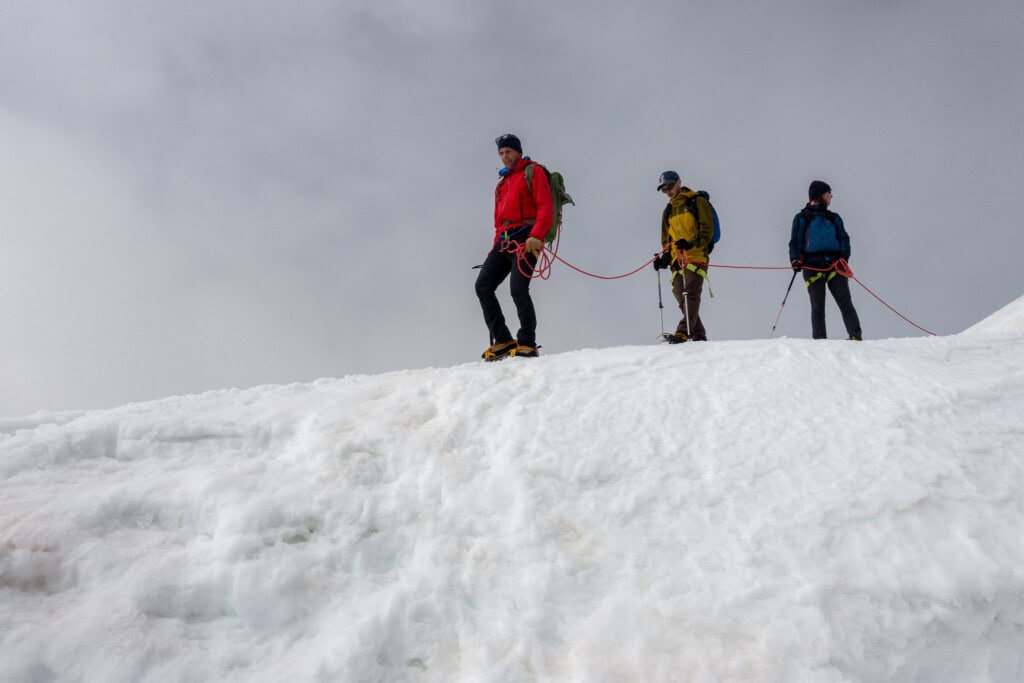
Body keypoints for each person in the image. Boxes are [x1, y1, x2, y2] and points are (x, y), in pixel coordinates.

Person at [475, 133, 554, 361]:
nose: (505, 156)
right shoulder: (502, 183)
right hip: (504, 241)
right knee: (483, 286)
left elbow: (545, 207)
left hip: (527, 238)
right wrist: (494, 248)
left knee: (518, 289)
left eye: (508, 151)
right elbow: (498, 222)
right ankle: (503, 339)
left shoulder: (534, 172)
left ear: (518, 151)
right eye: (501, 153)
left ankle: (527, 342)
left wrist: (537, 235)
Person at [788, 180, 863, 340]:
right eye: (828, 192)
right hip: (811, 265)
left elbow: (844, 240)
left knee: (845, 302)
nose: (831, 196)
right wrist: (795, 260)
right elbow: (795, 241)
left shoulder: (834, 218)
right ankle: (820, 341)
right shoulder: (802, 218)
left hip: (834, 264)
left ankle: (855, 336)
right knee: (818, 305)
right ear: (820, 194)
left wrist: (843, 259)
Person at [652, 170, 714, 342]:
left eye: (670, 186)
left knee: (690, 294)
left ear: (679, 182)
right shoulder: (669, 210)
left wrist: (691, 243)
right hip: (676, 260)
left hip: (696, 255)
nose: (669, 191)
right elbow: (667, 240)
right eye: (664, 189)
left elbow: (707, 230)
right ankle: (699, 335)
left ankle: (683, 331)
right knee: (681, 297)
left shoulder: (697, 201)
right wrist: (664, 258)